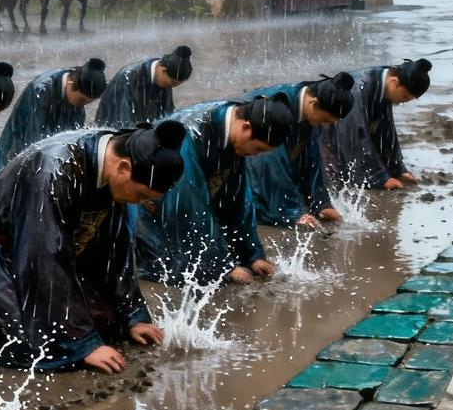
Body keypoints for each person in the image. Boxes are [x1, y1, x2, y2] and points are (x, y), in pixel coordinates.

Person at [0, 121, 187, 373]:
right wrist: (82, 344)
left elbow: (116, 249)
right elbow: (43, 256)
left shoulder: (114, 161)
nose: (138, 202)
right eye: (141, 195)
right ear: (124, 167)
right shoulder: (51, 169)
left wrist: (133, 315)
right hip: (2, 261)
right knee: (34, 348)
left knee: (111, 327)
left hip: (56, 259)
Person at [136, 95, 295, 286]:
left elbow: (236, 201)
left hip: (178, 202)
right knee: (170, 269)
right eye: (258, 148)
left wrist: (253, 255)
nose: (255, 155)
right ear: (246, 127)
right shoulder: (190, 137)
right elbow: (187, 207)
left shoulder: (233, 127)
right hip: (144, 204)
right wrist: (223, 266)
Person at [244, 73, 356, 228]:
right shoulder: (275, 107)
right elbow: (270, 164)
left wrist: (322, 203)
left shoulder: (309, 109)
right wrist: (295, 213)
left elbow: (312, 158)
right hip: (249, 162)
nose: (325, 124)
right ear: (313, 102)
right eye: (325, 119)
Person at [320, 58, 432, 190]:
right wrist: (379, 178)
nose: (404, 102)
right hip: (324, 142)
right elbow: (354, 135)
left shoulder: (382, 84)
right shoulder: (359, 88)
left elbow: (386, 131)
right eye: (405, 97)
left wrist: (397, 169)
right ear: (394, 82)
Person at [0, 58, 107, 161]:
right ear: (70, 83)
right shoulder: (40, 92)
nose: (81, 105)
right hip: (19, 146)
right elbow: (36, 142)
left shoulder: (78, 82)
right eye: (81, 100)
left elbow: (75, 135)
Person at [95, 46, 193, 129]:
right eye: (172, 83)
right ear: (162, 70)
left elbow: (168, 116)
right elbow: (124, 121)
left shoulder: (165, 78)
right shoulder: (129, 77)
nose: (172, 87)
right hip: (110, 132)